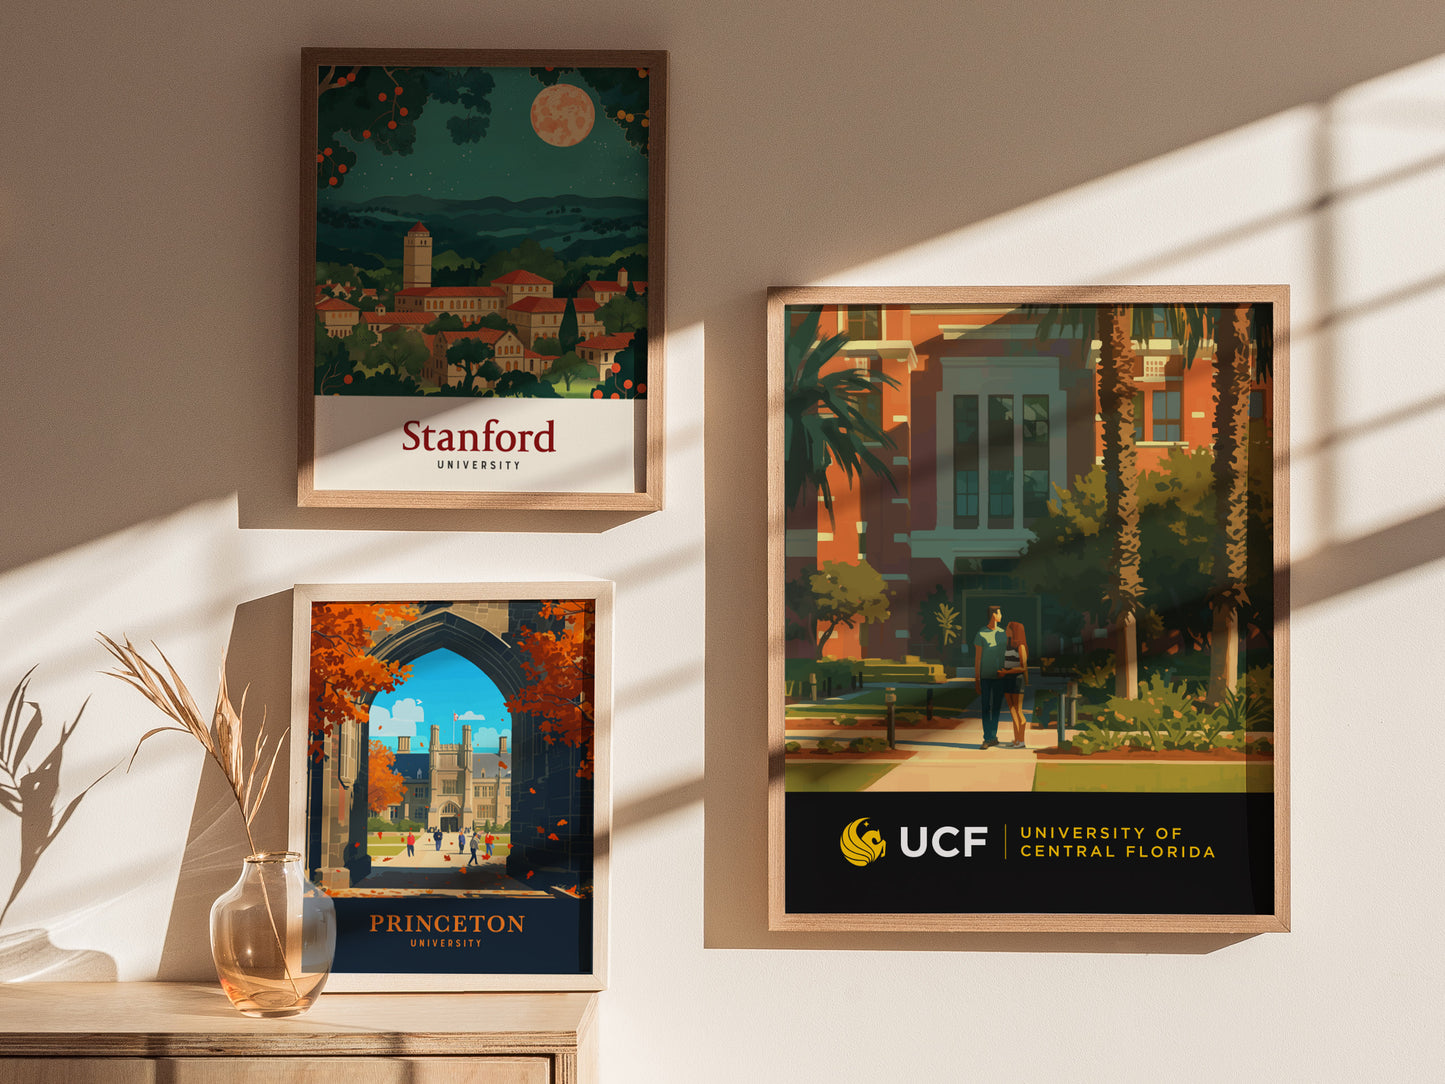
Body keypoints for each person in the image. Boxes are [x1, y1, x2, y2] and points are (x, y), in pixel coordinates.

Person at [972, 604, 1009, 749]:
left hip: (999, 676)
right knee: (985, 707)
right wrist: (977, 679)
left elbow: (1007, 655)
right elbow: (978, 658)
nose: (1001, 616)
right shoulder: (981, 633)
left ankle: (993, 736)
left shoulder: (1003, 633)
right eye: (999, 614)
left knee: (997, 708)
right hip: (985, 677)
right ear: (994, 615)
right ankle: (987, 738)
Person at [999, 620, 1030, 749]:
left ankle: (1021, 740)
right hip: (1006, 678)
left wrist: (1008, 671)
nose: (1006, 631)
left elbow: (1023, 667)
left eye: (1008, 629)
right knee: (1012, 711)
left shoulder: (1020, 646)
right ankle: (1016, 739)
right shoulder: (1007, 646)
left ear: (1014, 631)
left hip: (1017, 679)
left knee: (1018, 711)